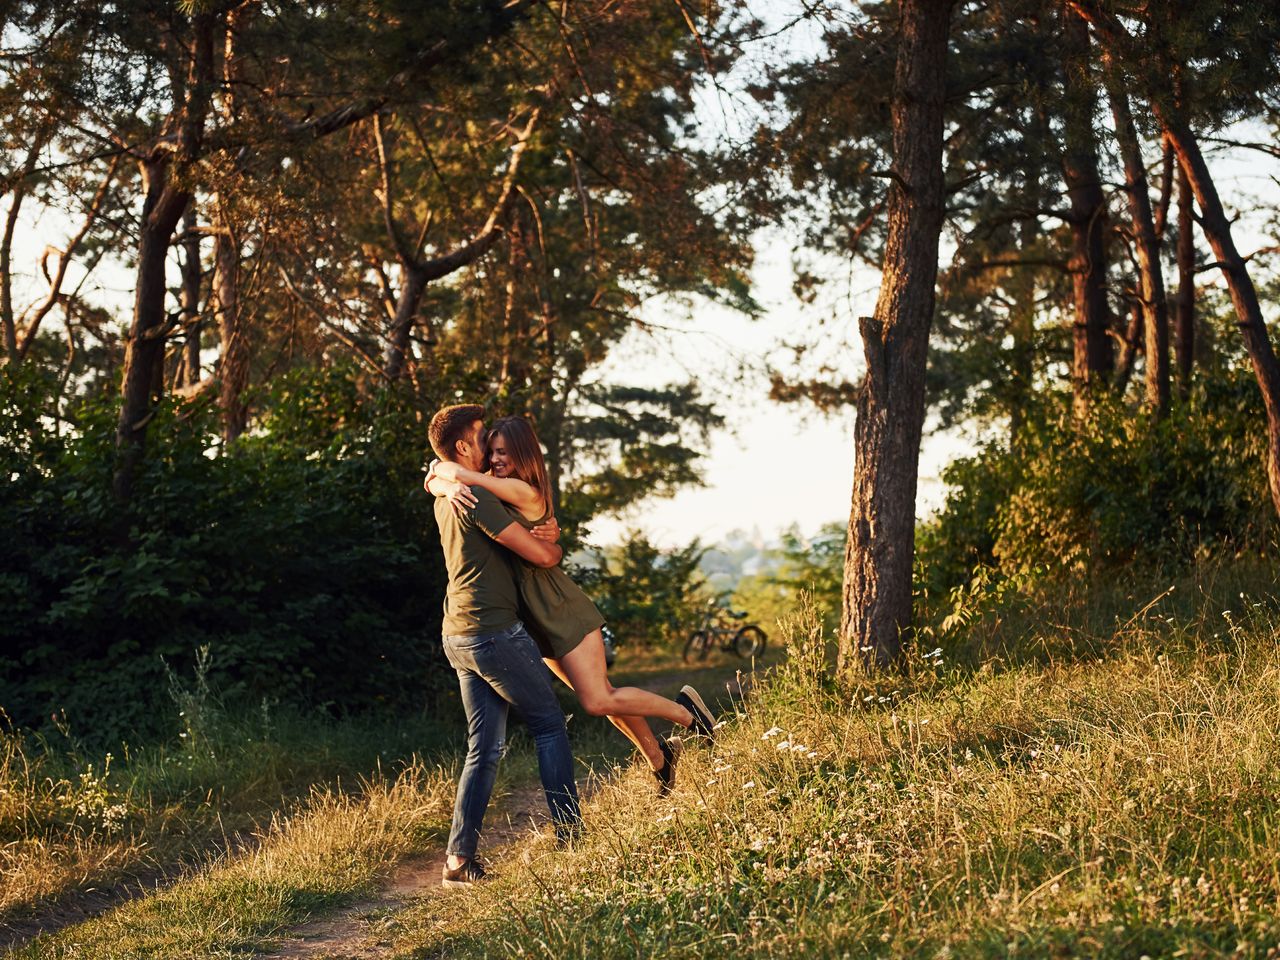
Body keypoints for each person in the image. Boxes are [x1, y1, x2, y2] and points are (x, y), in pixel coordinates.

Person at [425, 415, 719, 797]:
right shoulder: (493, 489)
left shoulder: (523, 490)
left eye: (503, 452)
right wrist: (440, 482)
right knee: (602, 697)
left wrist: (443, 477)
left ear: (521, 454)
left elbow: (473, 483)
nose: (495, 459)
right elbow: (459, 480)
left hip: (559, 606)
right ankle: (660, 760)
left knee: (598, 700)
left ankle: (687, 713)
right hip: (534, 616)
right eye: (491, 450)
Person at [427, 404, 583, 889]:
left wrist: (442, 479)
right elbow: (539, 555)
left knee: (485, 747)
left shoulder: (445, 495)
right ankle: (572, 839)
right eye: (481, 438)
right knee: (550, 724)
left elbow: (435, 478)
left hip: (457, 633)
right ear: (462, 449)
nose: (489, 446)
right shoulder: (475, 496)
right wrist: (554, 543)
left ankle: (458, 859)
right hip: (493, 631)